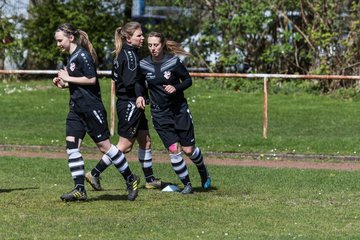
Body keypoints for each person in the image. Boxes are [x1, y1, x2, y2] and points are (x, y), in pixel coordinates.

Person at [52, 23, 140, 201]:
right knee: (72, 148)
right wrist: (64, 84)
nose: (58, 44)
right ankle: (79, 189)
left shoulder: (83, 55)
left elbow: (91, 79)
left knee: (105, 147)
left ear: (71, 38)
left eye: (60, 40)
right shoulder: (72, 58)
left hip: (91, 109)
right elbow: (78, 83)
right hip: (76, 109)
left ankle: (131, 179)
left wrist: (68, 77)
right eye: (56, 41)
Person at [85, 22, 163, 191]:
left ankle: (149, 179)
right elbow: (129, 81)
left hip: (134, 102)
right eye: (139, 35)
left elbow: (119, 77)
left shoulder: (126, 53)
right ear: (128, 38)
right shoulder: (130, 56)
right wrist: (140, 94)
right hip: (130, 103)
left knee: (146, 140)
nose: (142, 38)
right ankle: (94, 173)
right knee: (125, 146)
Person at [136, 31, 211, 194]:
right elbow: (139, 84)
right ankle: (187, 184)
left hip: (179, 111)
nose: (152, 48)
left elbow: (188, 80)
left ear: (162, 44)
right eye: (149, 45)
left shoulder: (173, 62)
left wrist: (176, 87)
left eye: (156, 45)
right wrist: (140, 95)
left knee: (189, 150)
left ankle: (202, 169)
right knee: (173, 149)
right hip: (160, 115)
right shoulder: (143, 65)